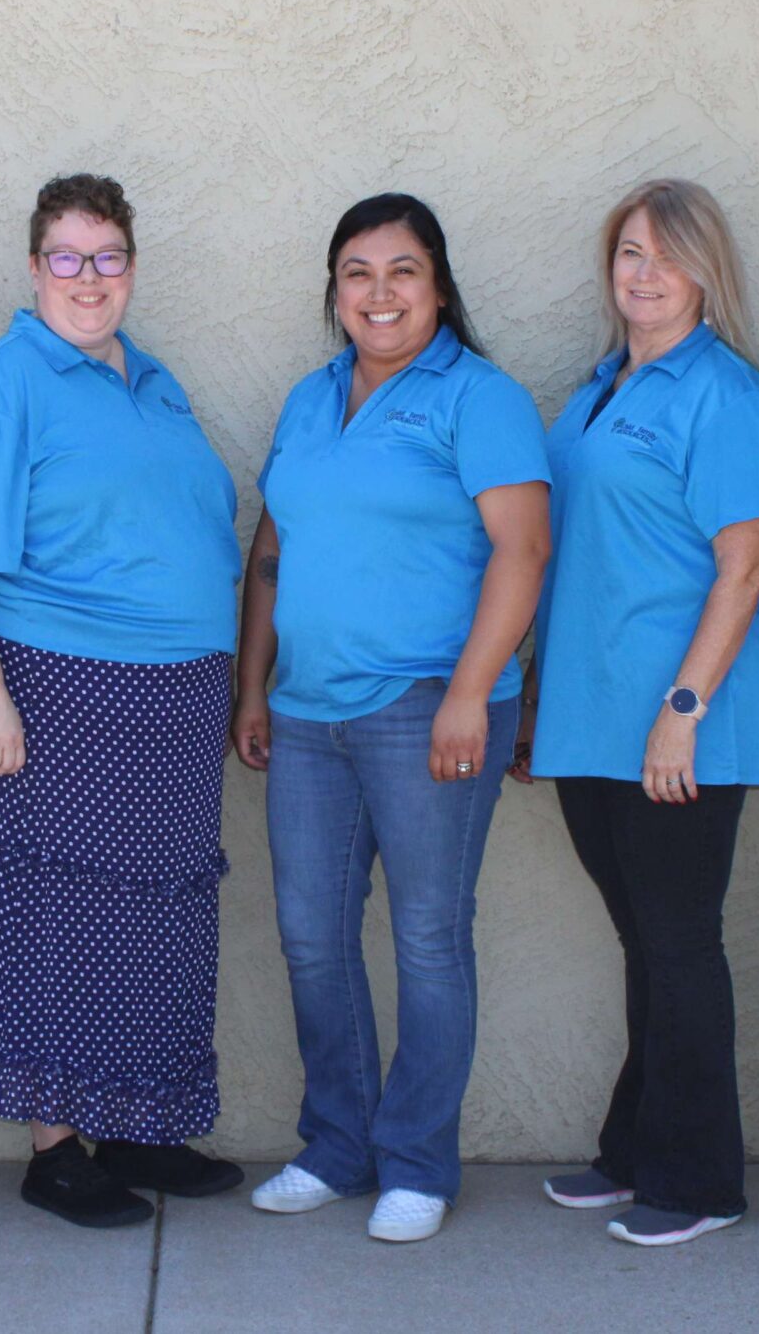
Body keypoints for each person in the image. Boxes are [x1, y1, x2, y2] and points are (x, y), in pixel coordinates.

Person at [0, 173, 246, 1228]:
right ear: (33, 267)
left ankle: (137, 1121)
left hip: (167, 703)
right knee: (52, 917)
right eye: (66, 256)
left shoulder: (153, 380)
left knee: (153, 918)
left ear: (131, 267)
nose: (87, 278)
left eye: (107, 257)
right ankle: (56, 1148)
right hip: (51, 689)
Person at [232, 193, 552, 1245]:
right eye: (357, 271)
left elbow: (523, 550)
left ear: (440, 285)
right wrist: (252, 685)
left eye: (401, 270)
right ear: (334, 291)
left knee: (426, 934)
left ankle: (416, 1158)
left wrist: (472, 692)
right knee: (311, 934)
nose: (378, 292)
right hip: (307, 710)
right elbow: (271, 550)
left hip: (428, 702)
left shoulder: (480, 396)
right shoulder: (310, 397)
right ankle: (336, 1142)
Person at [519, 179, 759, 1247]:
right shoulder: (597, 387)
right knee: (644, 936)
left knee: (680, 941)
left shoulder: (720, 393)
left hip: (679, 718)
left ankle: (698, 1179)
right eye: (629, 250)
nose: (643, 271)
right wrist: (537, 696)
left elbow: (747, 561)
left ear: (704, 274)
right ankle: (636, 1152)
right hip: (591, 713)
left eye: (667, 255)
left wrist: (683, 706)